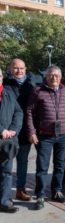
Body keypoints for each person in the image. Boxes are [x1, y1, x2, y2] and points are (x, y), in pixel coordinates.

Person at [26, 65, 65, 210]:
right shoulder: (38, 91)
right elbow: (29, 112)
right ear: (46, 76)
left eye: (57, 75)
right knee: (42, 167)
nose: (54, 78)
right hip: (44, 135)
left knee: (60, 165)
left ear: (60, 77)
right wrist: (31, 132)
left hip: (63, 134)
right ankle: (40, 195)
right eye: (51, 75)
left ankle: (56, 191)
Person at [3, 58, 39, 201]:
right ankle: (4, 192)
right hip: (7, 131)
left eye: (22, 68)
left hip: (25, 130)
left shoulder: (31, 85)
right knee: (5, 163)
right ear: (10, 69)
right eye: (16, 68)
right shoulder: (5, 84)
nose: (19, 71)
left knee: (22, 161)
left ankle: (20, 189)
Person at [0, 68, 23, 213]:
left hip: (7, 141)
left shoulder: (8, 93)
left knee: (6, 172)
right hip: (2, 134)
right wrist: (1, 130)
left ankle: (4, 201)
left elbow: (18, 112)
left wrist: (14, 130)